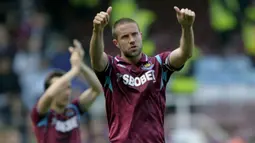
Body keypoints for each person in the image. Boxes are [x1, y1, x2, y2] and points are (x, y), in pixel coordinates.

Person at [90, 6, 195, 143]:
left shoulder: (159, 64)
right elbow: (96, 58)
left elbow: (184, 53)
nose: (132, 40)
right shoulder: (111, 68)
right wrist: (97, 31)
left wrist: (187, 28)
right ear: (116, 43)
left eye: (134, 34)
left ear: (141, 35)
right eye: (125, 37)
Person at [31, 40, 102, 143]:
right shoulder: (41, 114)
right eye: (61, 88)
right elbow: (49, 95)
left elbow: (97, 89)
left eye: (68, 87)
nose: (66, 92)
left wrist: (80, 65)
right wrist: (74, 70)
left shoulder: (74, 109)